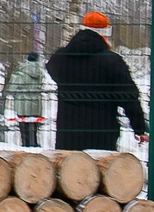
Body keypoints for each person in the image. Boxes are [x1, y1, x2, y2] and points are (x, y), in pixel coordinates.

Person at [48, 11, 149, 150]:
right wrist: (139, 128)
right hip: (102, 136)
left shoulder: (59, 58)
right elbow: (129, 97)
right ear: (104, 35)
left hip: (67, 136)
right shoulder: (112, 61)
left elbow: (52, 70)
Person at [6, 50, 46, 148]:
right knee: (34, 127)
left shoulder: (21, 71)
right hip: (36, 102)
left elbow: (12, 88)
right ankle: (34, 144)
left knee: (24, 127)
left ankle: (25, 144)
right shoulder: (40, 72)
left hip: (22, 103)